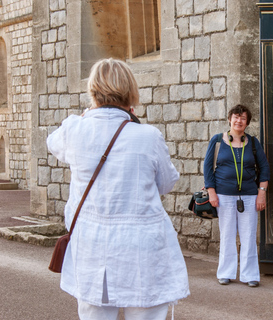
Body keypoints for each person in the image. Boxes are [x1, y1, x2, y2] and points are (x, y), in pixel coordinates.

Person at [47, 58, 189, 319]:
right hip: (142, 245)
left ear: (93, 91)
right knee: (146, 311)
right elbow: (167, 183)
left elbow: (53, 143)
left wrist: (86, 115)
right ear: (130, 92)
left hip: (92, 245)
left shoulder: (74, 129)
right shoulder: (148, 136)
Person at [204, 104, 270, 287]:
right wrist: (211, 192)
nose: (239, 120)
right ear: (229, 119)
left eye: (243, 118)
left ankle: (250, 275)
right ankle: (225, 273)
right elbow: (208, 168)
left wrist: (261, 193)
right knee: (227, 235)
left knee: (249, 236)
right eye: (236, 116)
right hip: (223, 195)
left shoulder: (254, 142)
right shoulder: (217, 141)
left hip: (249, 195)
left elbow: (264, 168)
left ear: (247, 122)